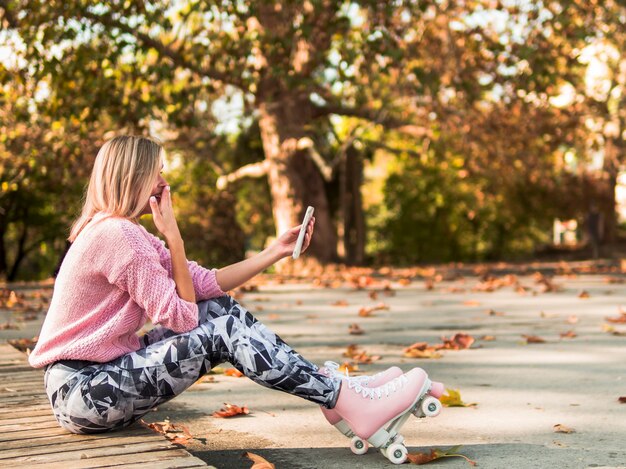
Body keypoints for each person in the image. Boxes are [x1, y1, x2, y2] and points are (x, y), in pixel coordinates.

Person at [29, 136, 441, 448]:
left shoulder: (122, 230)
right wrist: (173, 237)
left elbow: (204, 285)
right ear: (135, 178)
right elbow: (184, 318)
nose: (163, 182)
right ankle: (341, 397)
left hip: (94, 384)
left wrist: (273, 252)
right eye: (157, 173)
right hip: (84, 392)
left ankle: (336, 394)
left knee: (218, 310)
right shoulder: (120, 236)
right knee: (216, 328)